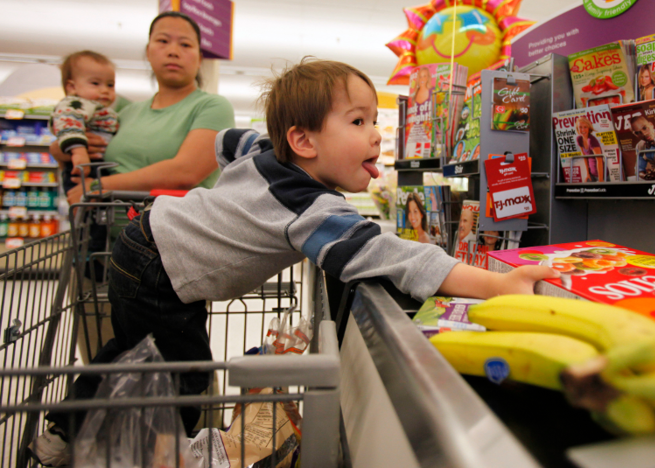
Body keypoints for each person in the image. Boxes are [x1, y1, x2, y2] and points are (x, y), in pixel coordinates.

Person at [29, 58, 557, 465]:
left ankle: (63, 427)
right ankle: (154, 451)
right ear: (302, 141)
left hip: (145, 245)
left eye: (374, 119)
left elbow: (227, 142)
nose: (376, 133)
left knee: (131, 351)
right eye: (357, 120)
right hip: (158, 272)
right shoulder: (310, 208)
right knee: (180, 377)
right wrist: (497, 285)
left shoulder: (268, 152)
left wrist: (243, 151)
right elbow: (401, 258)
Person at [50, 11, 235, 202]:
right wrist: (62, 148)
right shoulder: (125, 112)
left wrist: (99, 186)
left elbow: (184, 173)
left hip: (172, 229)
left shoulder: (212, 107)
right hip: (108, 227)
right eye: (163, 41)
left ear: (199, 59)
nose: (173, 51)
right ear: (148, 51)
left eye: (185, 44)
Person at [51, 51, 119, 191]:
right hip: (83, 164)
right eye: (95, 83)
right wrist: (78, 151)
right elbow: (68, 123)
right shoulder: (75, 104)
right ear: (72, 87)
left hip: (96, 165)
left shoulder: (97, 108)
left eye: (110, 85)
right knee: (83, 204)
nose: (105, 90)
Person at [575, 115, 604, 182]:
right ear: (577, 128)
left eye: (585, 127)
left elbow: (599, 160)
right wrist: (587, 173)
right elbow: (585, 157)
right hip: (592, 174)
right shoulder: (579, 139)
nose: (583, 130)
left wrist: (600, 180)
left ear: (589, 128)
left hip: (601, 175)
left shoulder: (591, 140)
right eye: (580, 127)